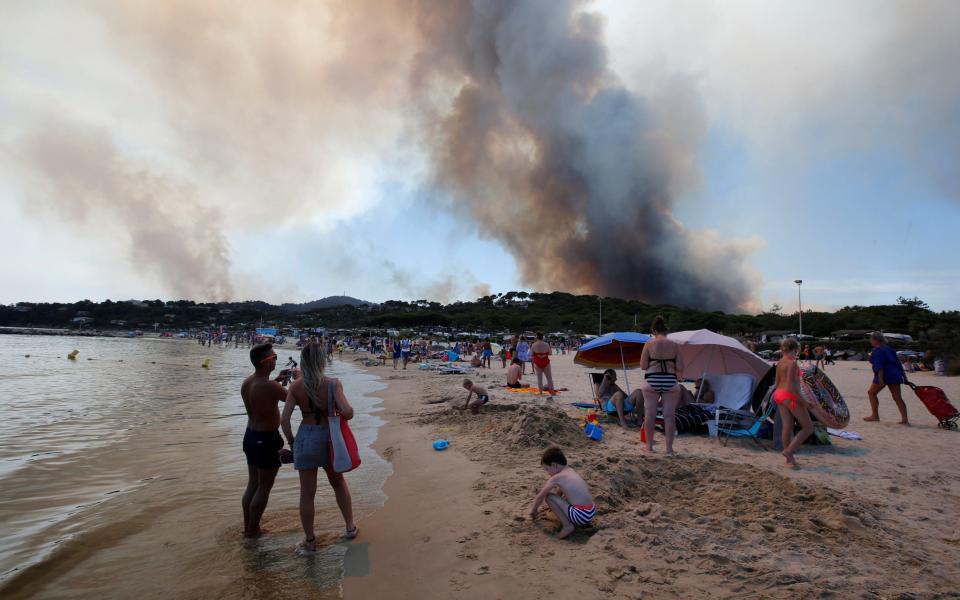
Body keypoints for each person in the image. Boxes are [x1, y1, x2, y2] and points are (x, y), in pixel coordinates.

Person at [281, 341, 359, 552]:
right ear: (321, 360)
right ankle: (350, 527)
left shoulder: (296, 386)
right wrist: (337, 411)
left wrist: (291, 442)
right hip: (329, 438)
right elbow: (349, 411)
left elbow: (284, 420)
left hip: (305, 438)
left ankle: (310, 540)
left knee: (307, 493)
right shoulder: (333, 384)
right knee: (338, 483)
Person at [240, 343, 292, 538]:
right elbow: (292, 398)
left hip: (250, 437)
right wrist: (299, 380)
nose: (276, 360)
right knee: (264, 487)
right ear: (265, 362)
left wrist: (278, 380)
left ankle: (248, 527)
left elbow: (264, 395)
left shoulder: (248, 382)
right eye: (274, 357)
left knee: (252, 483)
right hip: (266, 439)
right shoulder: (270, 386)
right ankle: (253, 531)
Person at [639, 315, 684, 454]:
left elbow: (643, 365)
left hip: (652, 380)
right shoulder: (675, 345)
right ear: (667, 331)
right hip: (670, 381)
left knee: (650, 415)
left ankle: (649, 447)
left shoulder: (649, 344)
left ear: (654, 331)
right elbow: (680, 367)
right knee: (669, 415)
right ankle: (669, 449)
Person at [528, 446, 596, 539]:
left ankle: (567, 526)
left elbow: (541, 496)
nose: (548, 472)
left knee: (549, 497)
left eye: (547, 469)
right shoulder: (570, 471)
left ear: (554, 465)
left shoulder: (557, 477)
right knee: (562, 497)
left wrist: (534, 510)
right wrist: (553, 507)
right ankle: (576, 522)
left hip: (580, 515)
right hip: (591, 511)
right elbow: (561, 491)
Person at [773, 338, 814, 469]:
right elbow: (791, 385)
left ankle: (788, 458)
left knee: (787, 426)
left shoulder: (780, 362)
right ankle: (789, 451)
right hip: (789, 396)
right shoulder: (792, 363)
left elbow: (777, 382)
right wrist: (804, 402)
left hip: (779, 394)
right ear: (795, 349)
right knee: (808, 427)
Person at [864, 332, 909, 425]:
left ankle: (875, 415)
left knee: (871, 393)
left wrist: (881, 380)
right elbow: (898, 364)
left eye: (871, 340)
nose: (871, 341)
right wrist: (904, 377)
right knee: (897, 397)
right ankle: (905, 419)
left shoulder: (877, 350)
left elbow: (880, 366)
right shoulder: (890, 349)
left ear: (875, 340)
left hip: (884, 375)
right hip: (895, 374)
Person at [530, 332, 556, 397]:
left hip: (537, 361)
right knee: (549, 378)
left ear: (537, 337)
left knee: (539, 378)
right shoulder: (546, 344)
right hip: (545, 360)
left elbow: (531, 354)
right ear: (542, 337)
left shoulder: (534, 345)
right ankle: (552, 393)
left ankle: (540, 392)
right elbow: (550, 353)